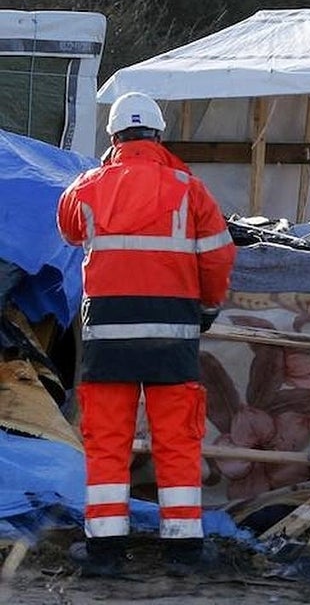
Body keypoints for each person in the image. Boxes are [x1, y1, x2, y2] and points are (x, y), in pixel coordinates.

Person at [56, 91, 236, 577]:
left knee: (107, 440)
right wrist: (208, 308)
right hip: (172, 334)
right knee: (177, 439)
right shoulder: (190, 190)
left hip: (107, 338)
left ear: (113, 137)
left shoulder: (87, 187)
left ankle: (105, 551)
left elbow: (69, 229)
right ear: (158, 134)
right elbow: (218, 257)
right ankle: (184, 549)